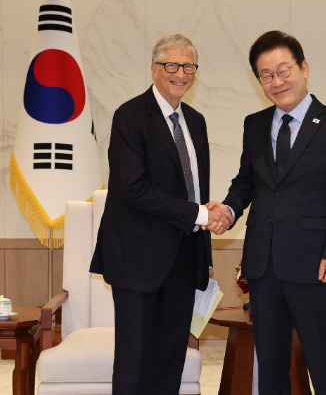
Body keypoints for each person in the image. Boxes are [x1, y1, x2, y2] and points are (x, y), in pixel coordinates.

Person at [206, 31, 326, 394]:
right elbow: (247, 182)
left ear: (303, 68)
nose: (276, 82)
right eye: (266, 75)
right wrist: (228, 209)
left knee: (323, 363)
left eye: (283, 71)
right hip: (264, 266)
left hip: (316, 266)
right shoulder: (255, 124)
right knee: (271, 366)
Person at [90, 34, 232, 395]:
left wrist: (204, 256)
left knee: (170, 358)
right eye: (172, 65)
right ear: (154, 69)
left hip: (183, 261)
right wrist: (200, 215)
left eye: (188, 66)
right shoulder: (130, 116)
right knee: (135, 360)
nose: (180, 73)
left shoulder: (195, 121)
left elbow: (196, 191)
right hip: (137, 259)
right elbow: (133, 188)